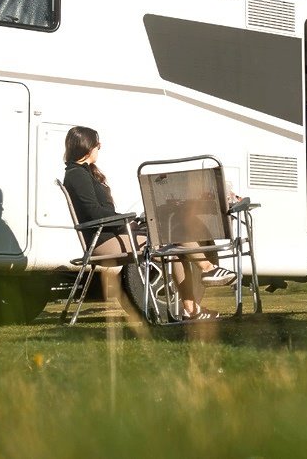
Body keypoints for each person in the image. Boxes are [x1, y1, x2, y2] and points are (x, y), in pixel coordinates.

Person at [62, 125, 235, 321]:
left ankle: (192, 306)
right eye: (97, 144)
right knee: (172, 237)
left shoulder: (84, 172)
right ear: (86, 146)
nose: (99, 147)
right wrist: (125, 222)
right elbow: (93, 213)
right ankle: (207, 271)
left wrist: (128, 222)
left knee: (174, 242)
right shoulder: (77, 174)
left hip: (110, 235)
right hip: (102, 242)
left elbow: (100, 212)